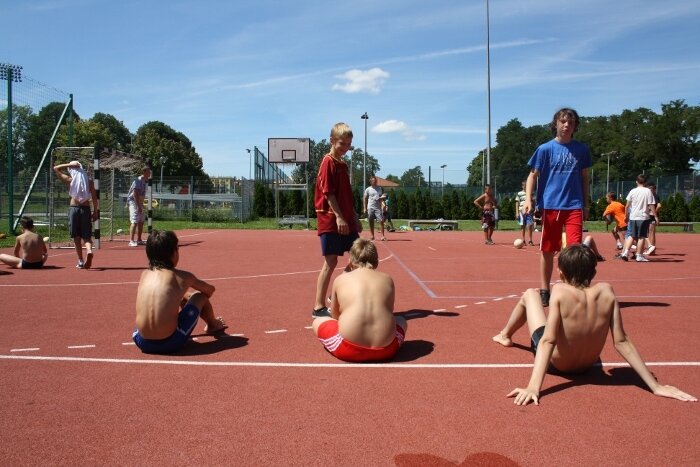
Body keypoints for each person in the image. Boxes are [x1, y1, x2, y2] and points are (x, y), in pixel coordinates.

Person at [492, 244, 696, 406]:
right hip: (589, 365)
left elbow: (548, 340)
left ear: (560, 272)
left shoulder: (560, 291)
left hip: (558, 364)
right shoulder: (607, 291)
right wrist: (655, 386)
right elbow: (622, 341)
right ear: (593, 273)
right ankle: (505, 335)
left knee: (530, 294)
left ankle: (505, 335)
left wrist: (533, 387)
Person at [524, 108, 591, 307]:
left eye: (571, 122)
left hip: (574, 205)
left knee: (575, 251)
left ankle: (573, 288)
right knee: (547, 250)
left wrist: (586, 204)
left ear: (575, 126)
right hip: (551, 205)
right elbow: (532, 176)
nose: (566, 125)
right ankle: (545, 289)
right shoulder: (545, 149)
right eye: (563, 121)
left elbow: (585, 178)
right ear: (556, 124)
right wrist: (528, 199)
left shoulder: (581, 149)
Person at [312, 238, 407, 362]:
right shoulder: (388, 279)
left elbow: (335, 316)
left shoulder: (341, 279)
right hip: (386, 350)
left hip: (349, 349)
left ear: (350, 262)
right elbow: (389, 311)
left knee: (318, 321)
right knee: (401, 320)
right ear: (376, 262)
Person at [132, 230, 227, 354]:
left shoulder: (144, 274)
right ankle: (213, 324)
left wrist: (182, 296)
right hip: (171, 342)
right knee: (199, 296)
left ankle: (164, 327)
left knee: (176, 298)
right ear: (174, 252)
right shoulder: (182, 277)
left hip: (141, 341)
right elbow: (210, 290)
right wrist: (190, 297)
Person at [312, 122, 362, 319]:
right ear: (332, 141)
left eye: (349, 144)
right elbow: (329, 193)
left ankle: (335, 295)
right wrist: (340, 217)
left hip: (347, 219)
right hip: (331, 219)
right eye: (342, 143)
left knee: (358, 257)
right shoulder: (328, 162)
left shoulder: (343, 164)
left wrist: (354, 216)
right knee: (331, 261)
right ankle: (318, 307)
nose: (345, 148)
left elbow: (346, 196)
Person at [53, 160, 99, 269]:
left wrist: (69, 165)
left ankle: (80, 260)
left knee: (76, 237)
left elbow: (56, 168)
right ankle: (89, 251)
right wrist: (95, 212)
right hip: (86, 209)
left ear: (72, 169)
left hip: (74, 208)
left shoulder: (70, 180)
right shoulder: (89, 181)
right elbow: (94, 197)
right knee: (86, 236)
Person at [617, 174, 659, 262]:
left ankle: (625, 253)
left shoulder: (632, 191)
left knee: (631, 235)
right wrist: (655, 216)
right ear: (646, 182)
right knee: (641, 236)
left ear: (636, 182)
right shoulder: (648, 191)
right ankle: (639, 255)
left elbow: (627, 206)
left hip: (633, 216)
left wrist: (626, 216)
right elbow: (651, 205)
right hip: (643, 217)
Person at [127, 166, 152, 247]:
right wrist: (138, 206)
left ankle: (139, 239)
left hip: (139, 202)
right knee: (134, 220)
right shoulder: (138, 180)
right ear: (144, 172)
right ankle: (131, 241)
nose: (150, 174)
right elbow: (135, 194)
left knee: (141, 220)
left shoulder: (144, 181)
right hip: (133, 202)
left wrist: (141, 205)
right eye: (148, 172)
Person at [363, 175, 386, 241]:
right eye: (373, 181)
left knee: (381, 221)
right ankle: (372, 236)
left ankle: (383, 236)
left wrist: (383, 203)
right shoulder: (368, 189)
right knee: (371, 221)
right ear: (370, 181)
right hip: (370, 207)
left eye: (375, 181)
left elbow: (380, 198)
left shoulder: (379, 188)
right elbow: (364, 199)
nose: (375, 182)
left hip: (378, 208)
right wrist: (365, 208)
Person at [515, 180, 535, 246]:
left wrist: (533, 208)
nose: (525, 186)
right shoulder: (519, 193)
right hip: (521, 211)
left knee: (529, 225)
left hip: (529, 211)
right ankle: (523, 240)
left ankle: (530, 240)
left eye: (526, 185)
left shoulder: (531, 193)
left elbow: (533, 202)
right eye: (524, 185)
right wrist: (517, 213)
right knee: (522, 226)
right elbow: (517, 203)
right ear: (522, 186)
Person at [644, 183, 661, 255]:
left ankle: (651, 250)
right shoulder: (654, 195)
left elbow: (659, 206)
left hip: (651, 216)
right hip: (650, 216)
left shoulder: (653, 196)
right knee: (650, 233)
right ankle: (651, 249)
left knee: (650, 233)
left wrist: (654, 213)